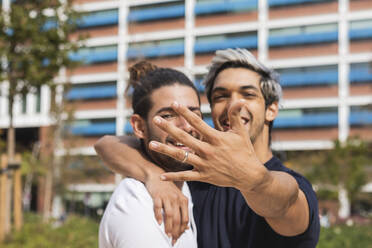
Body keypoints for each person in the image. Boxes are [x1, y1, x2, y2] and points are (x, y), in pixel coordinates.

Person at [95, 48, 320, 247]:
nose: (234, 104)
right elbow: (107, 144)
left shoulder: (293, 184)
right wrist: (153, 175)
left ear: (271, 109)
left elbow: (284, 200)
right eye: (221, 96)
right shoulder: (194, 174)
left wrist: (253, 180)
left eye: (248, 94)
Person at [98, 61, 200, 248]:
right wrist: (153, 175)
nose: (186, 127)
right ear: (139, 126)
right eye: (168, 116)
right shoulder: (136, 202)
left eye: (193, 114)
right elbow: (104, 143)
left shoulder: (186, 185)